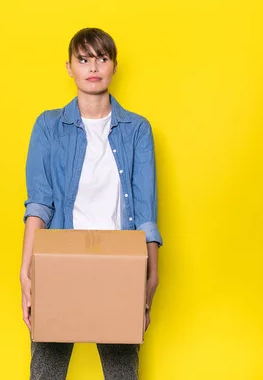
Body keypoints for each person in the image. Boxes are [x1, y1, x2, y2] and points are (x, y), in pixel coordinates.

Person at [19, 28, 164, 380]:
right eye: (83, 59)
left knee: (121, 373)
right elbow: (39, 205)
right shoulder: (49, 126)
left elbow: (146, 212)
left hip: (120, 263)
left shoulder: (137, 130)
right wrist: (26, 270)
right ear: (69, 67)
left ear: (114, 65)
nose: (93, 67)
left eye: (102, 58)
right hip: (59, 258)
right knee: (47, 371)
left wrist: (152, 272)